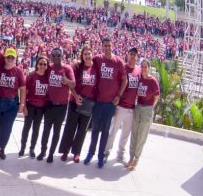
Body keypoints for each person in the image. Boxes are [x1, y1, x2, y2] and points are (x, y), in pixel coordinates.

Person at [84, 37, 127, 168]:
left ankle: (100, 155)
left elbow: (124, 80)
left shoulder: (118, 62)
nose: (107, 47)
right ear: (102, 47)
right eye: (105, 45)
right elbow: (85, 64)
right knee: (95, 129)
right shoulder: (97, 59)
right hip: (98, 101)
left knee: (105, 130)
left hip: (110, 103)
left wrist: (119, 95)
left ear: (112, 45)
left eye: (109, 45)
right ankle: (90, 153)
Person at [57, 45, 96, 163]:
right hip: (75, 101)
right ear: (82, 56)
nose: (87, 56)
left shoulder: (96, 69)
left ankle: (76, 152)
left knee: (82, 129)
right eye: (85, 54)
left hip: (89, 103)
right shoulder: (77, 67)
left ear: (92, 54)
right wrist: (75, 95)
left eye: (89, 53)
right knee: (70, 126)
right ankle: (65, 150)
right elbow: (71, 84)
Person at [104, 47, 141, 165]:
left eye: (135, 54)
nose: (133, 56)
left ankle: (120, 154)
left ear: (137, 56)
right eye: (131, 54)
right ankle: (105, 152)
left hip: (131, 108)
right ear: (127, 55)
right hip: (120, 106)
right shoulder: (122, 68)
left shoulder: (139, 70)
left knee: (125, 134)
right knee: (113, 131)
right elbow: (116, 86)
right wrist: (114, 105)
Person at [39, 47, 75, 163]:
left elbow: (73, 84)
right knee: (46, 130)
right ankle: (43, 150)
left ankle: (50, 153)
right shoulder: (49, 68)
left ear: (62, 56)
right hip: (49, 104)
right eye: (54, 55)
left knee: (56, 131)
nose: (56, 58)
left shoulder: (67, 68)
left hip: (62, 105)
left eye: (58, 55)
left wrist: (67, 81)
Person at [0, 48, 26, 159]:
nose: (10, 59)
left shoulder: (18, 71)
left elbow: (23, 88)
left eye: (12, 57)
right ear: (5, 58)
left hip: (11, 103)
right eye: (8, 57)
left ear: (15, 59)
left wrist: (22, 104)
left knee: (7, 127)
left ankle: (1, 147)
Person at [127, 59, 159, 170]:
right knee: (134, 134)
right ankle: (131, 158)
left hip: (147, 109)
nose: (144, 68)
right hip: (138, 107)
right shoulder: (140, 79)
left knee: (142, 136)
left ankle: (136, 159)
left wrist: (150, 108)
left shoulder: (153, 81)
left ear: (149, 68)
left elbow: (156, 96)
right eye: (142, 66)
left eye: (146, 66)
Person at [20, 56, 49, 158]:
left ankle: (32, 148)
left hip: (41, 108)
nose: (42, 66)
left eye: (45, 64)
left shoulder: (48, 77)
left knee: (36, 129)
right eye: (40, 64)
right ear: (37, 64)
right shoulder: (31, 75)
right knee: (26, 128)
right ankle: (22, 147)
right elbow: (25, 91)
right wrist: (23, 106)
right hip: (30, 105)